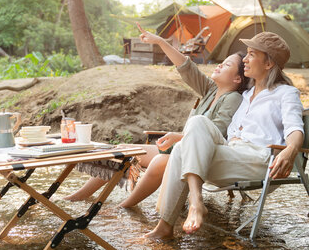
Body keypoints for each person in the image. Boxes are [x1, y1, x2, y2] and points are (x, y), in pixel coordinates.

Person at [64, 23, 249, 205]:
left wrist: (177, 137)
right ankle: (81, 196)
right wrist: (160, 41)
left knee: (141, 157)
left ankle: (126, 206)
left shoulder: (233, 99)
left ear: (237, 78)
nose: (218, 66)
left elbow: (214, 132)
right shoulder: (210, 89)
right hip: (179, 148)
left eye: (226, 65)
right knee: (121, 149)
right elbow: (186, 66)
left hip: (196, 155)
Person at [146, 31, 305, 239]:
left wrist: (291, 150)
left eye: (251, 54)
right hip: (232, 152)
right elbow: (190, 72)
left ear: (268, 64)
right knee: (196, 124)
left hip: (258, 159)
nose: (245, 59)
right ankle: (192, 204)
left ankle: (171, 222)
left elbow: (295, 128)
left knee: (182, 151)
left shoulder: (286, 93)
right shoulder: (245, 95)